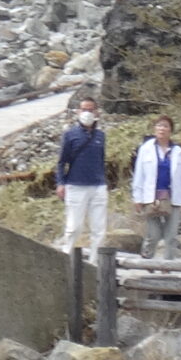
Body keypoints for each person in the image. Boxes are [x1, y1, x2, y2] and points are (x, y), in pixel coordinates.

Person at [131, 116, 181, 256]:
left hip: (173, 197)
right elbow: (139, 174)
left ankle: (168, 268)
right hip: (151, 197)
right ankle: (146, 262)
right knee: (153, 234)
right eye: (159, 125)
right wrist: (137, 197)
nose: (162, 129)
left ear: (170, 130)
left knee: (171, 236)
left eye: (165, 126)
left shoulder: (177, 151)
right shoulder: (146, 149)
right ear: (154, 129)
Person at [55, 99, 109, 252]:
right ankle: (67, 257)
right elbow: (61, 161)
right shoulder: (70, 134)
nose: (87, 113)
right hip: (75, 185)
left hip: (98, 185)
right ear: (78, 111)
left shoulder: (100, 136)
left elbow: (101, 159)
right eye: (84, 109)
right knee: (74, 227)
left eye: (91, 110)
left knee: (98, 229)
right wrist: (60, 183)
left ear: (96, 112)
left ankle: (95, 264)